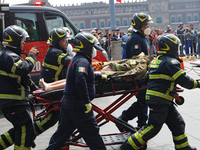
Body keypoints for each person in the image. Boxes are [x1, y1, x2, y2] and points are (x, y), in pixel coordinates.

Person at [121, 34, 197, 150]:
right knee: (153, 127)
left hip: (162, 100)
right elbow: (186, 82)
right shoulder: (171, 63)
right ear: (171, 47)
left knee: (178, 124)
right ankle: (128, 146)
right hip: (160, 101)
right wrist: (198, 84)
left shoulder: (157, 61)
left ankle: (183, 148)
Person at [46, 32, 106, 150]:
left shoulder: (78, 59)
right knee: (93, 135)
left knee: (60, 136)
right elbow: (80, 80)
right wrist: (86, 101)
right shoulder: (82, 61)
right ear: (87, 47)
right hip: (78, 105)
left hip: (69, 104)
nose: (94, 50)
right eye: (93, 47)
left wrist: (98, 76)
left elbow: (81, 76)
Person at [0, 25, 39, 150]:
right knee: (24, 130)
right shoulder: (8, 56)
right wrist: (32, 56)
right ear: (16, 40)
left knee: (22, 129)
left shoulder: (11, 55)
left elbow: (23, 78)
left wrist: (36, 89)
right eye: (22, 40)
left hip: (15, 102)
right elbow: (22, 69)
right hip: (13, 102)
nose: (24, 43)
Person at [117, 12, 153, 131]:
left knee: (143, 100)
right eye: (145, 25)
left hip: (142, 75)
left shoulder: (140, 37)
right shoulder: (136, 39)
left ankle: (142, 124)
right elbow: (136, 59)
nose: (147, 27)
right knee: (143, 101)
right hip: (138, 76)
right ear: (139, 25)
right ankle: (123, 118)